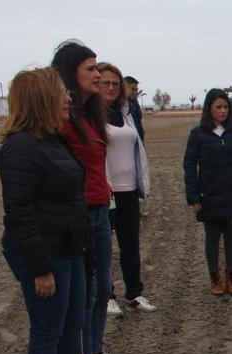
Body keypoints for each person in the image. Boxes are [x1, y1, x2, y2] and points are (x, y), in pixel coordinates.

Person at [0, 67, 108, 354]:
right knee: (47, 329)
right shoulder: (22, 147)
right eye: (61, 92)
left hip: (69, 247)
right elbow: (20, 215)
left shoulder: (51, 140)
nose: (68, 98)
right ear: (41, 99)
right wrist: (40, 268)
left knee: (72, 322)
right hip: (45, 254)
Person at [52, 41, 121, 354]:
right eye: (91, 69)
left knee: (103, 288)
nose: (98, 74)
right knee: (86, 294)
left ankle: (95, 352)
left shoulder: (94, 114)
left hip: (100, 210)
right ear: (70, 73)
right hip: (79, 215)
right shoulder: (62, 118)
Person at [183, 88, 232, 295]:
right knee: (212, 238)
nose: (222, 111)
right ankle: (214, 279)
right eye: (218, 107)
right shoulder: (197, 134)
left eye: (225, 107)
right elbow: (189, 165)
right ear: (209, 109)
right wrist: (193, 195)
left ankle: (231, 278)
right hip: (209, 193)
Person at [98, 62, 154, 322]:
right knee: (104, 247)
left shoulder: (127, 113)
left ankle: (134, 293)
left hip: (129, 189)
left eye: (115, 83)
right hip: (104, 192)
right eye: (105, 83)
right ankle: (106, 296)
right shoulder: (90, 115)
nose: (110, 87)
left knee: (130, 243)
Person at [123, 76, 144, 141]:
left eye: (136, 90)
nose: (135, 93)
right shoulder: (117, 107)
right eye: (132, 89)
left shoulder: (134, 104)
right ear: (123, 88)